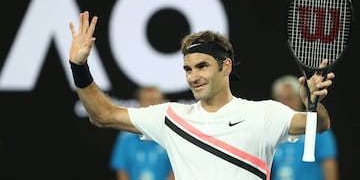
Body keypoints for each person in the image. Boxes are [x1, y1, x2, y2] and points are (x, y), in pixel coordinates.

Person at [68, 11, 335, 180]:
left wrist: (312, 104)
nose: (193, 76)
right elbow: (103, 115)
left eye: (202, 66)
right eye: (187, 68)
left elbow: (319, 125)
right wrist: (79, 67)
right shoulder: (171, 117)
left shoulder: (264, 114)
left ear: (225, 66)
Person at [270, 75, 339, 180]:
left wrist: (312, 102)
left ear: (299, 99)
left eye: (289, 98)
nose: (284, 104)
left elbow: (329, 166)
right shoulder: (272, 130)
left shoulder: (318, 128)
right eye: (279, 99)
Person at [109, 86, 174, 180]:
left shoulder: (172, 135)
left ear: (162, 103)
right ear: (139, 103)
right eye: (146, 100)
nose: (151, 105)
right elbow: (121, 170)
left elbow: (176, 170)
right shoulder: (125, 137)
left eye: (155, 100)